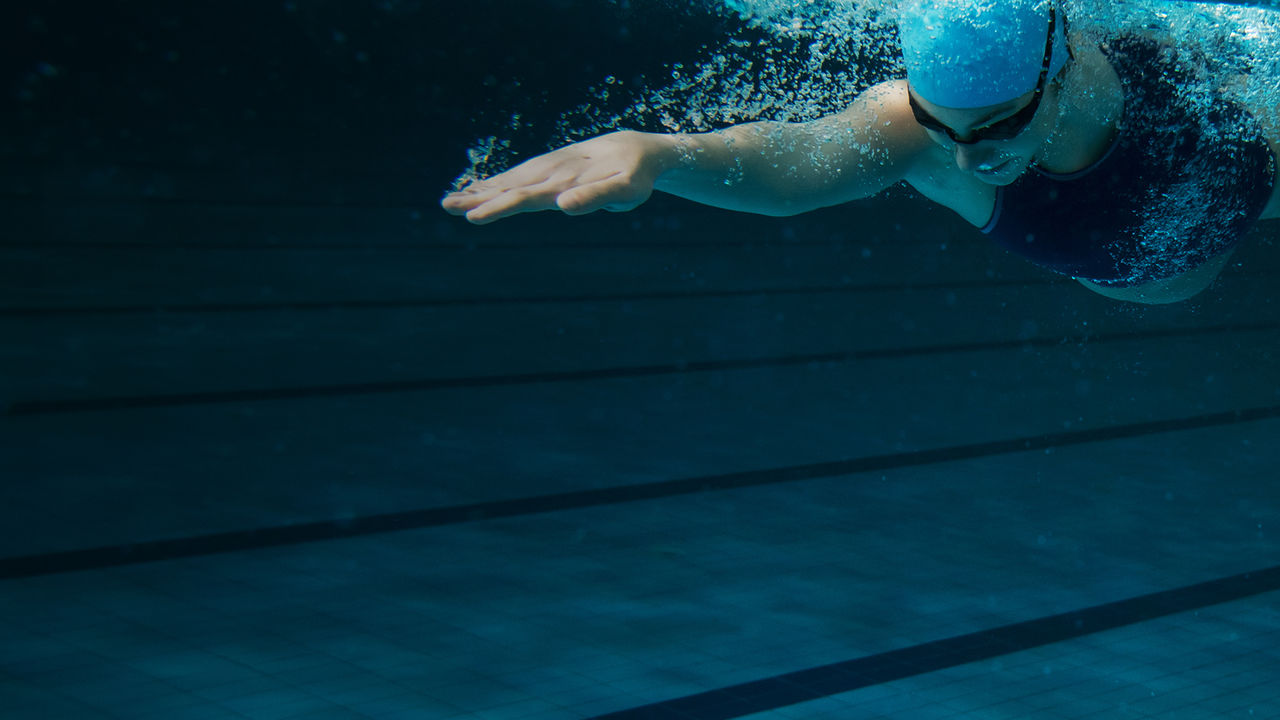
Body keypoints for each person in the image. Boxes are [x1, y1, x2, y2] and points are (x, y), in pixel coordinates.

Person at [441, 0, 1280, 304]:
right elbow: (792, 169)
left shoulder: (1153, 44)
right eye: (936, 123)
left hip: (1260, 173)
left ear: (1057, 78)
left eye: (993, 127)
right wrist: (663, 155)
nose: (964, 161)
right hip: (1167, 267)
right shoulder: (907, 128)